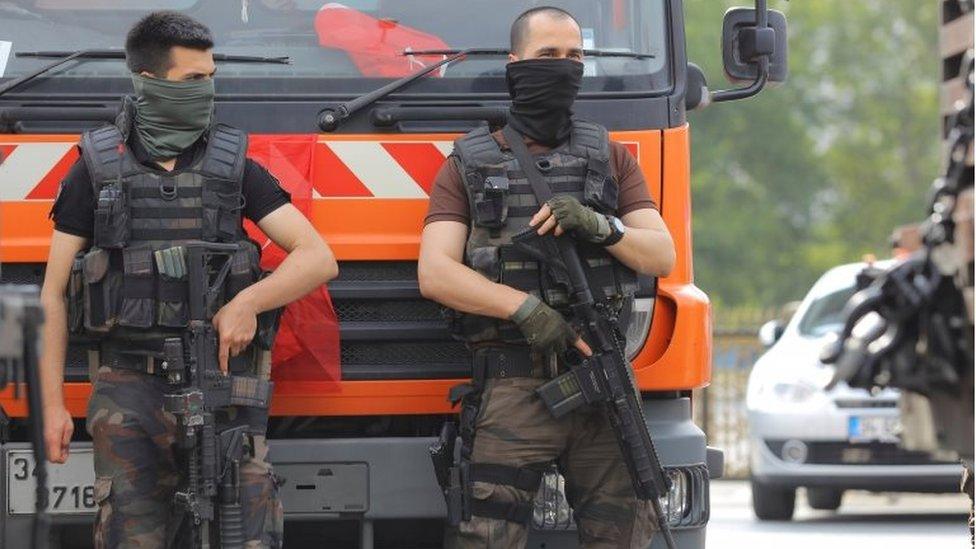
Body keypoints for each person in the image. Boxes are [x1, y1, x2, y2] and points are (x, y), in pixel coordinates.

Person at [38, 11, 338, 548]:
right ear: (148, 82)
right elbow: (54, 294)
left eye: (211, 78)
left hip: (220, 388)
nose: (207, 92)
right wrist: (52, 406)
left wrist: (248, 301)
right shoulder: (96, 167)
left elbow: (316, 257)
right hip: (128, 392)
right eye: (192, 81)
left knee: (244, 533)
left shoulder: (233, 164)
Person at [418, 6, 676, 548]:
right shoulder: (469, 161)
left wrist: (603, 226)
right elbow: (436, 273)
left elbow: (661, 255)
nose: (564, 67)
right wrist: (525, 310)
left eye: (574, 55)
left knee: (627, 535)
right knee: (487, 538)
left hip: (602, 381)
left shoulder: (612, 157)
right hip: (514, 386)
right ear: (516, 65)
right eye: (548, 56)